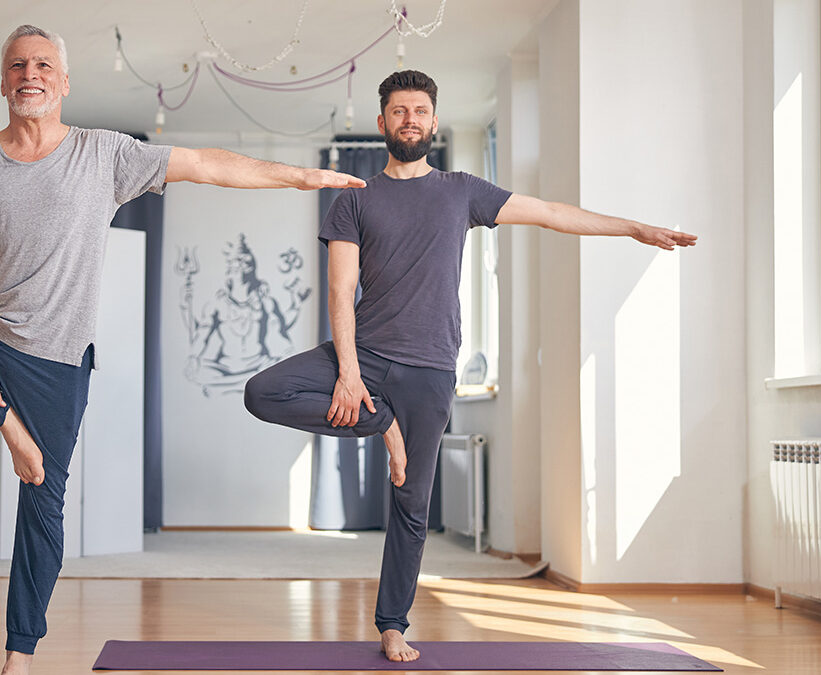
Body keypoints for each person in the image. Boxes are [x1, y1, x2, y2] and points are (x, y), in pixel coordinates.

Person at [0, 24, 363, 675]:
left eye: (42, 65)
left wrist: (300, 177)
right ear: (3, 81)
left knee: (42, 501)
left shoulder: (103, 153)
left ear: (62, 82)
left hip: (56, 360)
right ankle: (6, 422)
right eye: (17, 65)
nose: (29, 74)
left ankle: (18, 656)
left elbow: (207, 163)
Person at [243, 69, 697, 663]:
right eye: (399, 110)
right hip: (368, 357)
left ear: (432, 122)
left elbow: (550, 213)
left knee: (411, 502)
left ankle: (392, 624)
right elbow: (340, 290)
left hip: (430, 369)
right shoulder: (354, 196)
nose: (410, 119)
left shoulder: (461, 190)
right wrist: (350, 377)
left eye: (420, 110)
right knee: (262, 392)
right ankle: (383, 426)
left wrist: (633, 227)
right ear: (381, 123)